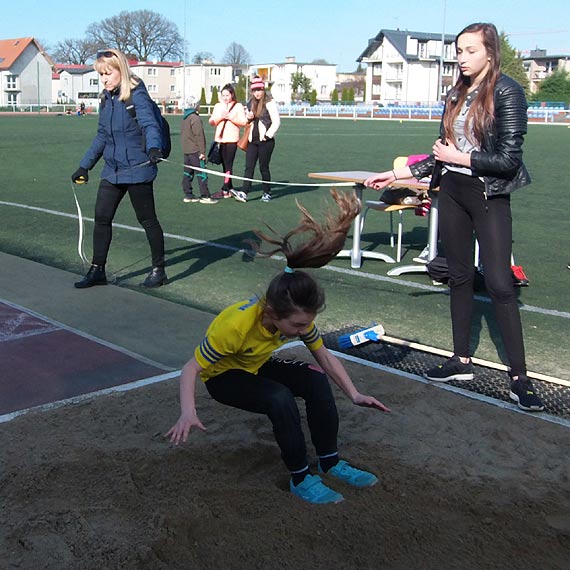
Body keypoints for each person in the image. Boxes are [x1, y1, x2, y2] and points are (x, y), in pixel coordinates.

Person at [166, 189, 391, 504]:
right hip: (224, 377)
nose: (302, 330)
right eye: (298, 326)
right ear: (272, 313)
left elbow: (323, 356)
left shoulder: (292, 314)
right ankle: (301, 478)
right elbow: (191, 368)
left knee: (314, 378)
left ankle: (331, 461)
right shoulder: (235, 326)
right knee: (279, 398)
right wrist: (188, 412)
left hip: (253, 364)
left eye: (305, 324)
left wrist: (353, 394)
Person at [364, 23, 544, 412]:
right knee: (457, 276)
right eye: (458, 51)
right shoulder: (456, 92)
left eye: (470, 51)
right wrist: (394, 175)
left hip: (488, 195)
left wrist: (458, 159)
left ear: (490, 53)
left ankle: (519, 378)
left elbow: (509, 160)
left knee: (498, 283)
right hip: (453, 194)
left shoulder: (508, 91)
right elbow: (438, 156)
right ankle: (460, 360)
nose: (461, 58)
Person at [71, 48, 167, 289]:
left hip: (138, 168)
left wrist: (154, 148)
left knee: (147, 220)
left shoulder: (137, 95)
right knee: (102, 218)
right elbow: (102, 136)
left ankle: (159, 269)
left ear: (120, 70)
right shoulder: (107, 99)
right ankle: (97, 270)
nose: (104, 78)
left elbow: (150, 125)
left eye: (107, 73)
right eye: (101, 74)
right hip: (113, 170)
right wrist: (85, 166)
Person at [232, 76, 281, 203]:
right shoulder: (250, 103)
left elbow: (276, 122)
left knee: (264, 167)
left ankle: (267, 192)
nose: (257, 93)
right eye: (255, 90)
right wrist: (248, 117)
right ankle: (244, 192)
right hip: (252, 140)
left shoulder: (269, 103)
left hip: (266, 141)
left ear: (263, 90)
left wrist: (268, 135)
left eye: (259, 90)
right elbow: (246, 122)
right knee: (249, 167)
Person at [209, 84, 247, 200]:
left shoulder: (238, 106)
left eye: (227, 95)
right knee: (224, 164)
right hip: (220, 139)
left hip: (232, 139)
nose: (225, 97)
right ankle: (229, 188)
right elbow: (211, 121)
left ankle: (225, 188)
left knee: (229, 163)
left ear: (232, 95)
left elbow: (243, 122)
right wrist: (221, 117)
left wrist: (231, 117)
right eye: (223, 95)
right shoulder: (218, 106)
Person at [180, 97, 217, 204]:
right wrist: (202, 152)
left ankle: (188, 194)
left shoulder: (184, 118)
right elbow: (199, 136)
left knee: (188, 173)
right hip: (195, 151)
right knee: (202, 173)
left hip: (187, 151)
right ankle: (205, 195)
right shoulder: (195, 119)